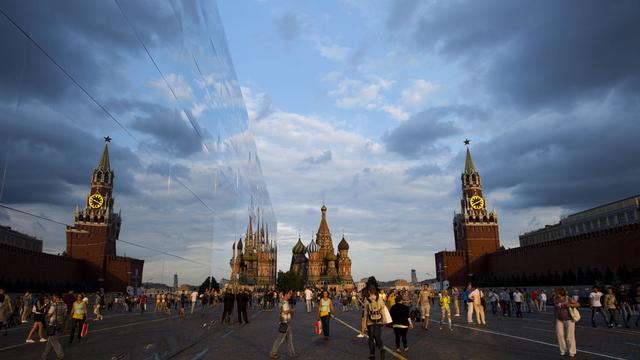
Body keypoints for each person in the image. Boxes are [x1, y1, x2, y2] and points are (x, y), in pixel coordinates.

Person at [269, 290, 297, 359]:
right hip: (284, 322)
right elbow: (284, 311)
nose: (290, 295)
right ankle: (273, 353)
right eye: (289, 294)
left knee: (289, 339)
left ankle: (292, 353)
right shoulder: (283, 302)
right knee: (280, 339)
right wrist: (291, 310)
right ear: (285, 294)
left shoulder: (284, 302)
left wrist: (291, 312)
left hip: (287, 322)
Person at [41, 293, 67, 360]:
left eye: (53, 296)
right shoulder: (64, 305)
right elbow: (65, 315)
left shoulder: (54, 305)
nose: (52, 297)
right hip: (60, 323)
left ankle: (60, 356)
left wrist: (46, 313)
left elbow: (49, 315)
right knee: (50, 342)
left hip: (53, 324)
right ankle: (44, 356)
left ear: (56, 297)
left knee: (54, 341)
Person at [364, 278, 385, 360]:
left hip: (370, 321)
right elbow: (382, 309)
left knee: (371, 338)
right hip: (378, 319)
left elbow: (365, 312)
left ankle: (372, 354)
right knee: (378, 336)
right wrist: (383, 320)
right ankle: (381, 349)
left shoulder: (367, 300)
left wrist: (364, 324)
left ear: (369, 291)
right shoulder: (379, 298)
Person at [554, 288, 578, 358]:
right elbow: (555, 308)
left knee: (569, 336)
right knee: (559, 335)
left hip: (569, 319)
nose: (555, 293)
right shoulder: (555, 299)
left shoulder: (568, 298)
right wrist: (554, 319)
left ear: (560, 292)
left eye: (556, 291)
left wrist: (571, 305)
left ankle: (572, 351)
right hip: (559, 319)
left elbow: (577, 304)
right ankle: (563, 350)